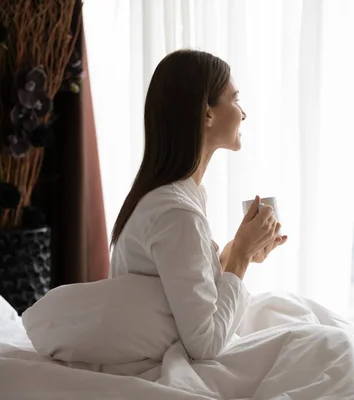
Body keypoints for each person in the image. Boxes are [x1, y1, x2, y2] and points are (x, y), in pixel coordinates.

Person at [109, 49, 288, 361]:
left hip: (167, 346)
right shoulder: (176, 212)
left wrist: (236, 250)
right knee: (327, 343)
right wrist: (241, 259)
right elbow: (204, 344)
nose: (243, 113)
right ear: (207, 113)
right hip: (170, 360)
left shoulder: (177, 196)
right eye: (235, 100)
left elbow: (187, 292)